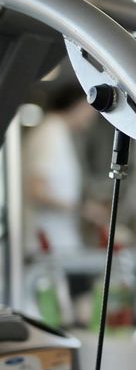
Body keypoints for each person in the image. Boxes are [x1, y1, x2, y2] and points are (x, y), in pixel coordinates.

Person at [23, 83, 99, 255]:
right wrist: (83, 209)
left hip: (58, 236)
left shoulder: (58, 131)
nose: (93, 115)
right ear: (77, 105)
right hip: (48, 237)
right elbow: (36, 190)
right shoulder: (50, 132)